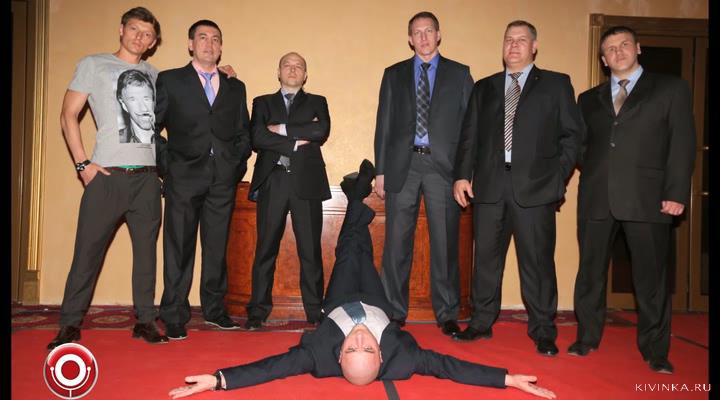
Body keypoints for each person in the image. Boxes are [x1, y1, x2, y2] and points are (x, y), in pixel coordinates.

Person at [168, 160, 556, 400]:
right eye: (367, 349)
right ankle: (357, 199)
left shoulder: (317, 356)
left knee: (347, 252)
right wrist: (508, 380)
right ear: (382, 356)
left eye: (351, 349)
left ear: (338, 357)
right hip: (374, 300)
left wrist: (217, 380)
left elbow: (270, 368)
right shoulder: (404, 358)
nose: (358, 340)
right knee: (362, 252)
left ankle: (357, 198)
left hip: (338, 301)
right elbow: (450, 368)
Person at [569, 26, 695, 374]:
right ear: (603, 58)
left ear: (638, 48)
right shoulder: (588, 99)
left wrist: (675, 192)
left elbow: (682, 143)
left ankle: (655, 350)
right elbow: (581, 144)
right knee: (590, 274)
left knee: (650, 278)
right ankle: (586, 338)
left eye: (624, 44)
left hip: (648, 198)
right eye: (610, 48)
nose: (618, 51)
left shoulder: (670, 89)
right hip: (596, 197)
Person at [452, 20, 583, 356]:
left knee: (537, 263)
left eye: (521, 40)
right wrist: (462, 176)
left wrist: (557, 178)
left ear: (534, 47)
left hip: (537, 190)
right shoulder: (485, 87)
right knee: (485, 261)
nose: (513, 45)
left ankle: (543, 330)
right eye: (509, 39)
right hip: (489, 188)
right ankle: (480, 323)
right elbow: (469, 137)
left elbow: (573, 136)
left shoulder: (556, 84)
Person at [47, 7, 168, 350]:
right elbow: (68, 114)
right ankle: (70, 324)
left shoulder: (156, 75)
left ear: (153, 42)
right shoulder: (94, 64)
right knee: (87, 253)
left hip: (147, 180)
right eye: (135, 29)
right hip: (107, 177)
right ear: (121, 30)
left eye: (147, 34)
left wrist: (223, 72)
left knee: (146, 255)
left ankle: (145, 320)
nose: (140, 37)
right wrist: (82, 164)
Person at [373, 11, 473, 336]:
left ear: (439, 35)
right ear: (410, 39)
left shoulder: (460, 74)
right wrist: (380, 170)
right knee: (396, 244)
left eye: (429, 31)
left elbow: (470, 127)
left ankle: (447, 313)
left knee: (445, 243)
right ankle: (393, 312)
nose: (424, 37)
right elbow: (384, 124)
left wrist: (465, 172)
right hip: (402, 166)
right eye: (417, 32)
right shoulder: (394, 74)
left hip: (443, 169)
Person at [155, 19, 252, 340]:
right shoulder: (170, 80)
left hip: (222, 179)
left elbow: (243, 132)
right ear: (190, 44)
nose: (209, 44)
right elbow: (149, 127)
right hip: (183, 177)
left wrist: (235, 166)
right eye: (202, 38)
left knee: (216, 248)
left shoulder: (235, 86)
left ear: (221, 47)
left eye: (215, 39)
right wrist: (168, 165)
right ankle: (173, 314)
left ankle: (214, 310)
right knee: (178, 248)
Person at [244, 52, 331, 329]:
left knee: (310, 250)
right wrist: (295, 141)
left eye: (298, 66)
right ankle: (257, 310)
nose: (292, 70)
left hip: (307, 181)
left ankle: (315, 311)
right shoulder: (262, 102)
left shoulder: (318, 101)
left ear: (305, 75)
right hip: (273, 180)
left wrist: (279, 129)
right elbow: (257, 137)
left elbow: (320, 131)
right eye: (287, 65)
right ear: (278, 72)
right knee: (265, 248)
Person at [117, 69, 156, 143]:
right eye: (133, 100)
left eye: (146, 99)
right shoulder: (120, 140)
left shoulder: (163, 139)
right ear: (124, 105)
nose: (143, 108)